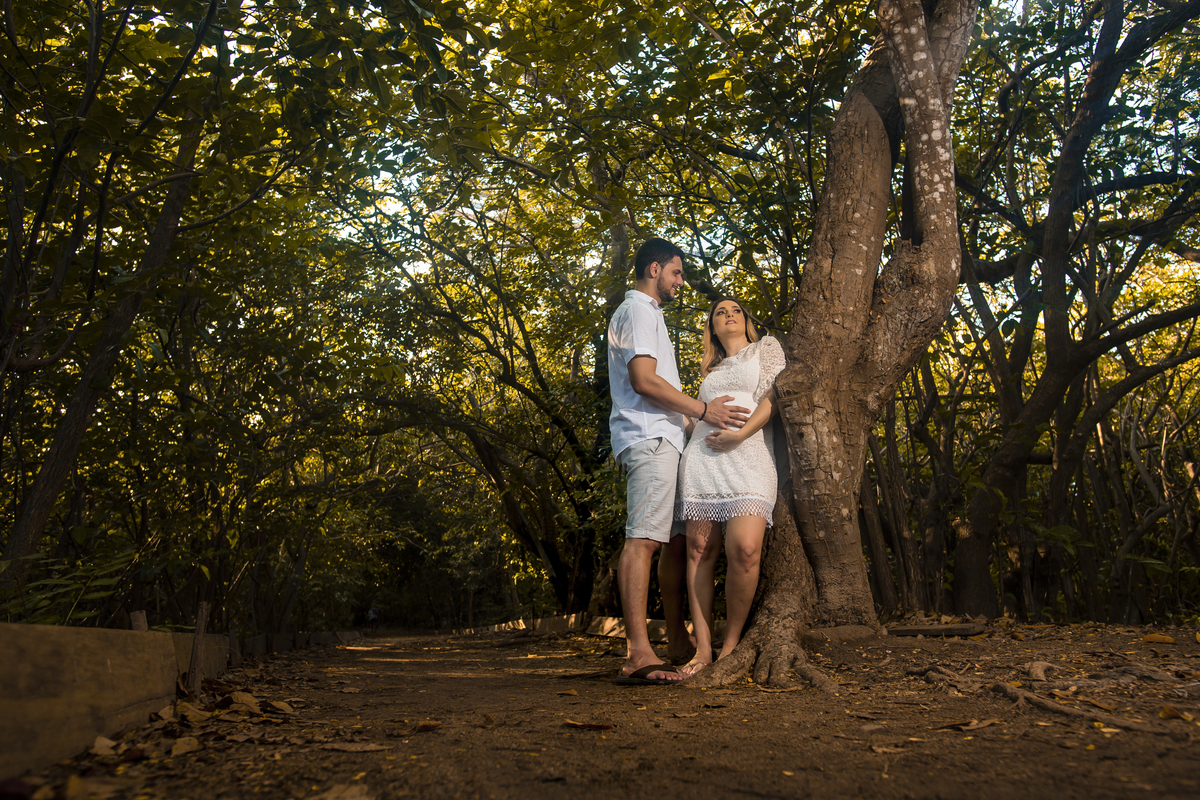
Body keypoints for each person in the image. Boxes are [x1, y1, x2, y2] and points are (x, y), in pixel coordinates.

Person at [608, 239, 750, 685]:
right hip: (647, 439)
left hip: (666, 439)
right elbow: (645, 381)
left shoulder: (649, 316)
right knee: (643, 539)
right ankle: (637, 653)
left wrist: (696, 430)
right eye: (676, 273)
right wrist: (705, 411)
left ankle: (675, 640)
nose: (680, 281)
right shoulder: (637, 312)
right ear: (655, 269)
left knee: (670, 541)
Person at [675, 297, 786, 678]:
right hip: (703, 462)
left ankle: (732, 644)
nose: (729, 315)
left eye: (736, 310)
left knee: (746, 549)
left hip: (750, 454)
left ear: (746, 320)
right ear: (713, 328)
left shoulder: (766, 349)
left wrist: (739, 437)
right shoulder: (711, 370)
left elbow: (774, 397)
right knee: (700, 551)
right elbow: (695, 419)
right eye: (720, 313)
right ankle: (703, 650)